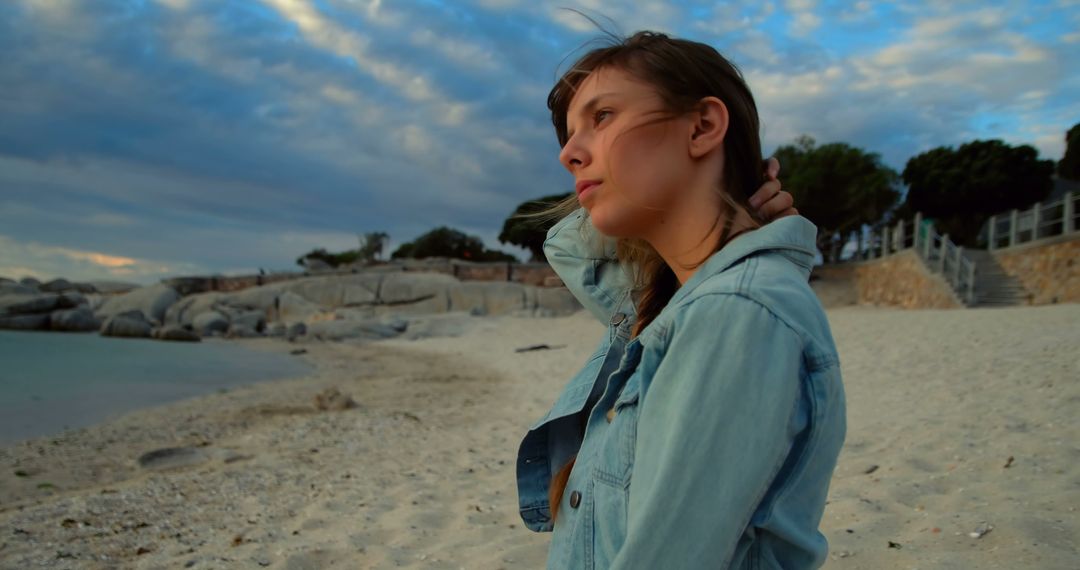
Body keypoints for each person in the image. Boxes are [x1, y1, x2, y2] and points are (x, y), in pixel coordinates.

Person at [515, 31, 846, 569]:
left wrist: (738, 214)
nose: (568, 153)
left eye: (602, 117)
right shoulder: (672, 306)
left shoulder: (736, 312)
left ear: (702, 125)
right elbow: (567, 247)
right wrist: (740, 211)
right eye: (571, 132)